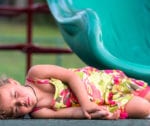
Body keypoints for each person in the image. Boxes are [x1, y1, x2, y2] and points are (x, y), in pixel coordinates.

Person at [0, 65, 150, 119]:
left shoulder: (36, 75)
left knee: (146, 94)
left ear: (14, 82)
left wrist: (86, 103)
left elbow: (70, 76)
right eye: (15, 108)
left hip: (100, 84)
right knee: (143, 108)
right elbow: (72, 113)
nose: (20, 101)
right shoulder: (39, 112)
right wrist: (98, 114)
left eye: (15, 95)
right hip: (101, 102)